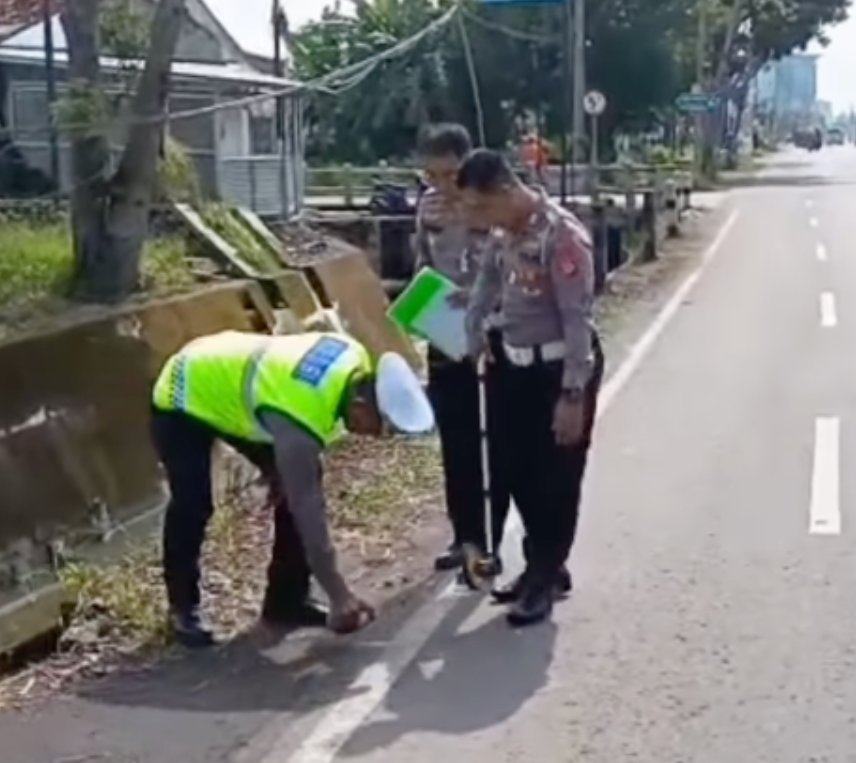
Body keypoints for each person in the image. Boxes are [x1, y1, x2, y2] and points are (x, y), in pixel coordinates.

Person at [150, 330, 434, 647]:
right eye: (377, 427)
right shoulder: (301, 415)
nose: (374, 437)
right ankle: (182, 608)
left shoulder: (354, 357)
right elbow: (308, 510)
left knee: (295, 482)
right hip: (184, 392)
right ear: (359, 406)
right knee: (194, 502)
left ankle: (285, 602)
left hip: (242, 385)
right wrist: (339, 594)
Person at [459, 149, 605, 628]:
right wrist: (474, 326)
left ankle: (543, 577)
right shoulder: (504, 230)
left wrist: (572, 395)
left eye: (481, 206)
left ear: (506, 190)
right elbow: (487, 279)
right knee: (515, 470)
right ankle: (542, 565)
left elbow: (577, 319)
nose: (477, 218)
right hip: (514, 366)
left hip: (559, 370)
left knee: (556, 480)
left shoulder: (561, 236)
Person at [414, 123, 508, 577]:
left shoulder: (489, 207)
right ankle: (465, 535)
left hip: (494, 335)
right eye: (431, 176)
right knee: (457, 442)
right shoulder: (427, 209)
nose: (441, 186)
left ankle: (499, 538)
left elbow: (509, 269)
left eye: (450, 175)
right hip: (447, 336)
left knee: (501, 443)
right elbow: (421, 266)